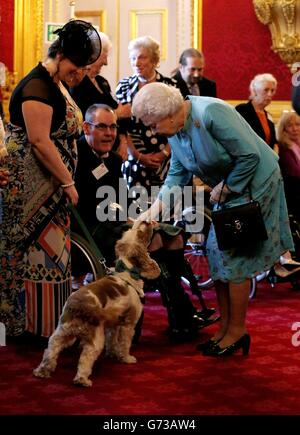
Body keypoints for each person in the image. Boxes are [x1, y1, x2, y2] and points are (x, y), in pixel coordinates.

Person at [131, 82, 294, 356]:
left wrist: (228, 187)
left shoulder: (211, 112)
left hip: (256, 184)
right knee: (214, 253)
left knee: (234, 256)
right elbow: (177, 177)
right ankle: (225, 329)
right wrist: (152, 212)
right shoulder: (176, 131)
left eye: (152, 124)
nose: (151, 130)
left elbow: (250, 155)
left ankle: (237, 331)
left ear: (168, 114)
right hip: (226, 191)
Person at [0, 20, 101, 338]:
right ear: (59, 55)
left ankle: (49, 326)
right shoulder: (35, 88)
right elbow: (41, 142)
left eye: (85, 67)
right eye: (77, 65)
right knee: (31, 256)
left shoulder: (55, 82)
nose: (81, 73)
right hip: (31, 190)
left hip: (51, 190)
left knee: (53, 258)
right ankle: (29, 327)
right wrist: (68, 183)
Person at [74, 103, 208, 342]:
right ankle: (169, 316)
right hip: (88, 228)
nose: (109, 133)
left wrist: (141, 221)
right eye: (102, 127)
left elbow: (123, 203)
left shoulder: (115, 161)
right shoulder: (76, 156)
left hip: (114, 220)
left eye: (113, 127)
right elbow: (85, 207)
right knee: (153, 241)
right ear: (86, 127)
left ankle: (180, 313)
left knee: (172, 236)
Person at [115, 35, 177, 195]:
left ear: (154, 60)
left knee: (167, 210)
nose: (136, 63)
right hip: (134, 160)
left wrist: (164, 154)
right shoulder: (123, 86)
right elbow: (122, 127)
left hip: (167, 159)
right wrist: (137, 156)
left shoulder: (171, 86)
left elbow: (178, 123)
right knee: (136, 211)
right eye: (133, 58)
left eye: (142, 57)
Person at [69, 32, 130, 161]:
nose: (107, 62)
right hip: (88, 152)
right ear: (92, 56)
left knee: (119, 181)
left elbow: (123, 117)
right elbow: (81, 117)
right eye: (104, 57)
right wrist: (117, 114)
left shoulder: (102, 82)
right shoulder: (76, 83)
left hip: (112, 151)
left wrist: (124, 142)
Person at [236, 73, 278, 153]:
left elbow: (274, 142)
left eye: (272, 90)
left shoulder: (268, 115)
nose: (270, 94)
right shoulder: (242, 110)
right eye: (266, 90)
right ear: (254, 91)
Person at [277, 110, 300, 220]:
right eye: (290, 125)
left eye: (297, 124)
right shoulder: (283, 147)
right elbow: (294, 172)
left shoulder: (298, 143)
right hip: (292, 193)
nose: (295, 129)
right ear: (284, 129)